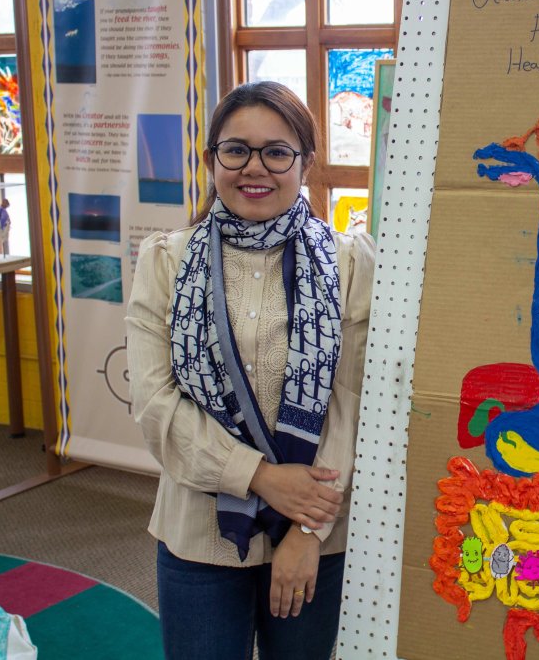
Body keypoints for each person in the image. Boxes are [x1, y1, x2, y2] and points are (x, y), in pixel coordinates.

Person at [125, 81, 375, 659]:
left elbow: (354, 403)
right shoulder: (164, 261)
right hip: (200, 535)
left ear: (306, 163)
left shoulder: (350, 263)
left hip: (318, 537)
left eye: (277, 151)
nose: (254, 168)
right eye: (236, 150)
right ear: (212, 159)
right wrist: (261, 478)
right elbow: (156, 405)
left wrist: (307, 528)